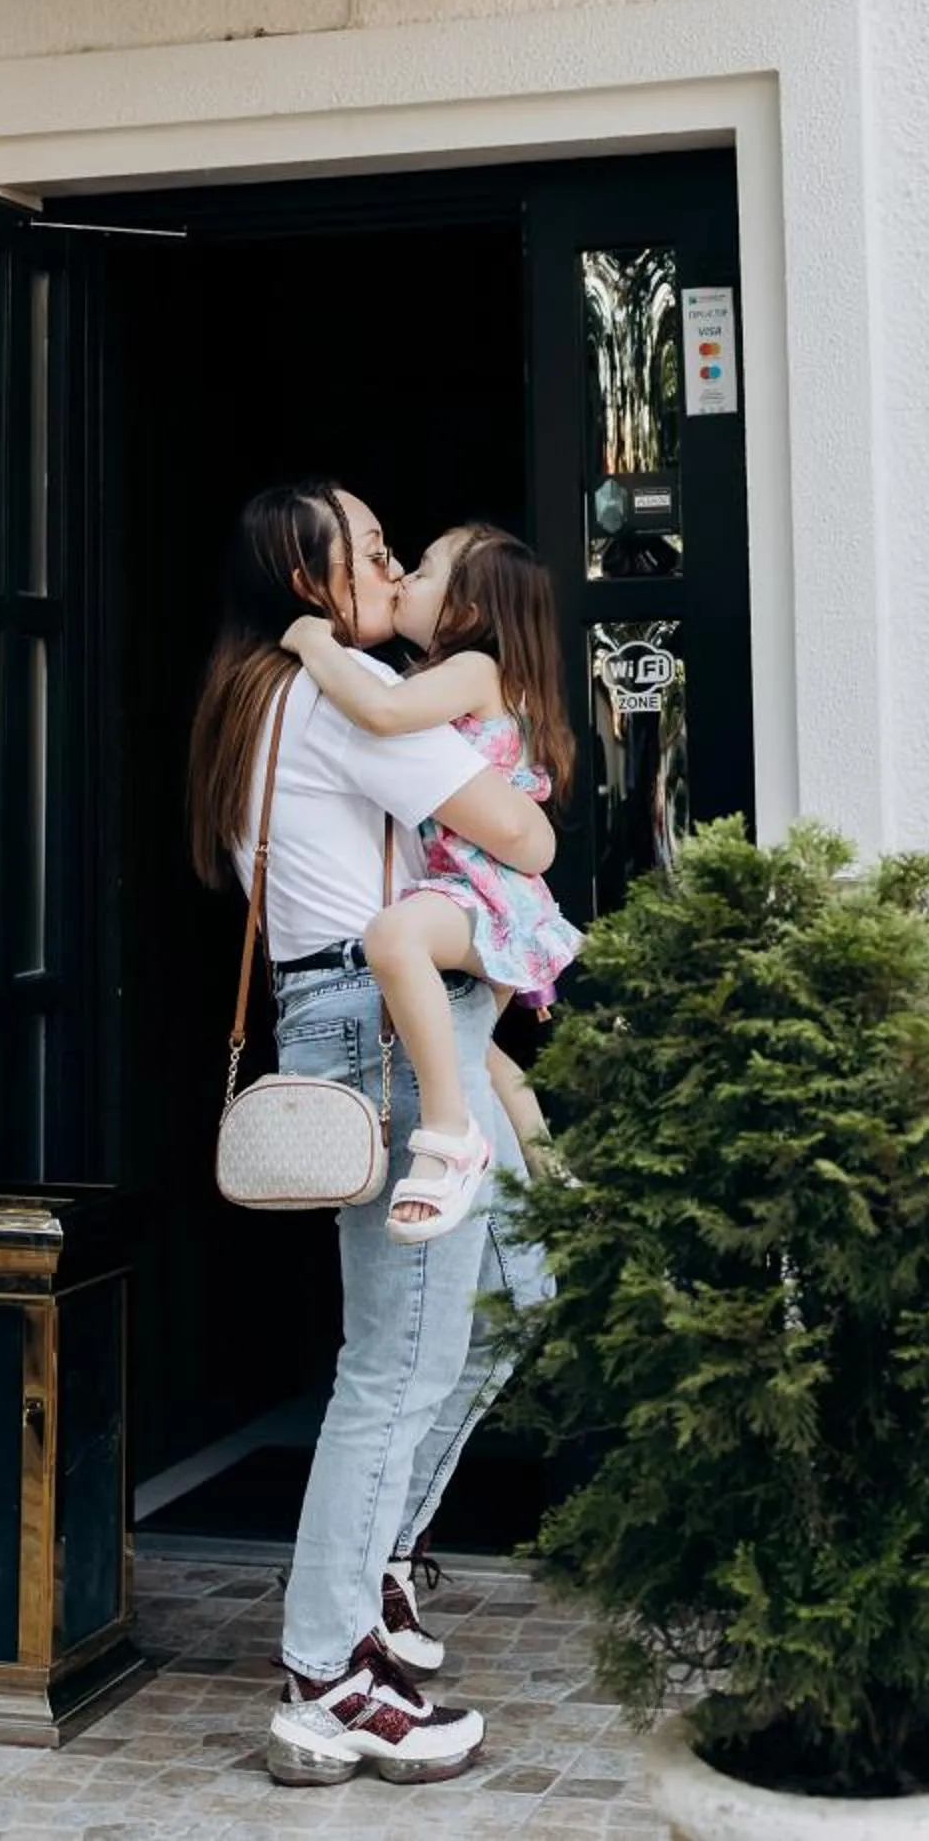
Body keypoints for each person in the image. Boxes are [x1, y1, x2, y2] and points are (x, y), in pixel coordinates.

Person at [187, 480, 554, 1789]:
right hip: (382, 1022)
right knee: (396, 1361)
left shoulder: (257, 699)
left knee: (512, 1291)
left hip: (390, 1012)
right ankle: (329, 1673)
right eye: (373, 553)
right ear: (308, 586)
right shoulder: (334, 699)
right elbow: (518, 831)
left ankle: (372, 1576)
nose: (393, 572)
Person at [282, 523, 583, 1237]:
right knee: (476, 1052)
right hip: (496, 896)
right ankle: (554, 1174)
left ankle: (450, 1133)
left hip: (486, 893)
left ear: (467, 611)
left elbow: (382, 712)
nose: (402, 579)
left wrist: (316, 643)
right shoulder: (466, 677)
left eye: (421, 571)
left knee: (394, 938)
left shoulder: (473, 669)